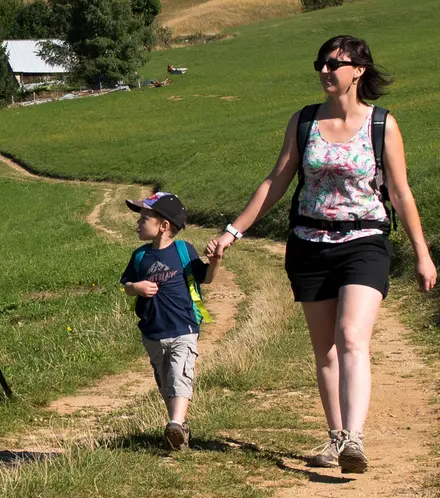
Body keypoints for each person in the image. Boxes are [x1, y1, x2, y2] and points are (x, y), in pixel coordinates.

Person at [206, 35, 436, 474]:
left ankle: (355, 438)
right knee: (325, 349)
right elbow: (274, 183)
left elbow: (402, 194)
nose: (326, 70)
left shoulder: (382, 125)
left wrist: (422, 254)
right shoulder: (304, 121)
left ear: (359, 70)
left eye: (336, 63)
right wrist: (233, 231)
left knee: (352, 336)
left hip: (365, 241)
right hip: (309, 244)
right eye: (321, 63)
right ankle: (334, 438)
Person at [120, 192, 219, 451]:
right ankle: (178, 429)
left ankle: (174, 423)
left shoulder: (183, 250)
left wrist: (215, 261)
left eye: (144, 218)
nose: (138, 223)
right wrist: (136, 287)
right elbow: (127, 286)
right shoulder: (140, 256)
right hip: (153, 331)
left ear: (163, 226)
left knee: (179, 375)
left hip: (183, 326)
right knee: (166, 382)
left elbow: (205, 278)